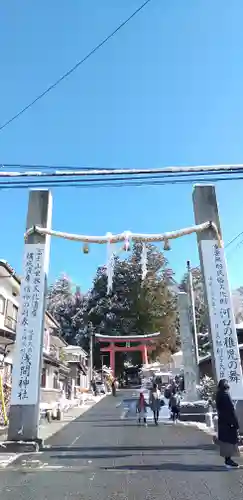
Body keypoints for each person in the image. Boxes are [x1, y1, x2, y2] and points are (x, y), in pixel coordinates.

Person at [215, 379, 240, 469]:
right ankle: (228, 460)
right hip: (229, 422)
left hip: (223, 421)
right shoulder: (225, 395)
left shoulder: (219, 394)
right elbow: (230, 410)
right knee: (229, 441)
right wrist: (235, 423)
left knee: (226, 441)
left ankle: (228, 460)